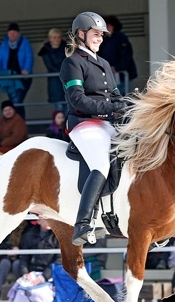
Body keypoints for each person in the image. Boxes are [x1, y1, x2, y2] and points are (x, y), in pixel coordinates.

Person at [59, 12, 127, 246]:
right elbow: (77, 100)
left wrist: (127, 103)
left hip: (106, 123)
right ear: (81, 34)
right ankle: (83, 224)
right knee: (100, 164)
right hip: (84, 123)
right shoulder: (72, 63)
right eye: (96, 34)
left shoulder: (104, 63)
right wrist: (111, 107)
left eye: (101, 35)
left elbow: (115, 95)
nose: (99, 38)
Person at [7, 219, 60, 302]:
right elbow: (24, 258)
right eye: (45, 218)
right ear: (39, 220)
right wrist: (26, 273)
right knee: (21, 293)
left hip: (50, 278)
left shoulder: (58, 236)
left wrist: (44, 277)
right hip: (32, 275)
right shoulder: (30, 234)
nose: (49, 221)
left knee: (38, 294)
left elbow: (59, 260)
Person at [0, 22, 34, 119]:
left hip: (22, 78)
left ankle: (20, 123)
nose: (12, 35)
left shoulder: (24, 42)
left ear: (18, 33)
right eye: (10, 33)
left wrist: (26, 69)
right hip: (10, 77)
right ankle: (19, 123)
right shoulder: (4, 43)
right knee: (15, 102)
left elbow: (29, 57)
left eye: (14, 33)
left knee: (17, 101)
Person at [99, 15, 138, 95]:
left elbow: (126, 55)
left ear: (112, 26)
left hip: (121, 74)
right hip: (111, 75)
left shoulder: (121, 38)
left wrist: (117, 68)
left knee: (120, 94)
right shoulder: (106, 40)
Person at [0, 222, 25, 300]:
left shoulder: (27, 229)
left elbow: (28, 245)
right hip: (6, 257)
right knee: (5, 263)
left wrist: (18, 251)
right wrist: (9, 250)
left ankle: (22, 290)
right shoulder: (6, 227)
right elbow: (0, 244)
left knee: (17, 264)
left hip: (20, 259)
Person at [38, 28, 67, 108]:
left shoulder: (67, 48)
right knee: (59, 107)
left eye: (58, 37)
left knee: (69, 105)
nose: (57, 39)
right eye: (54, 37)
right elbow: (50, 66)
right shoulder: (45, 51)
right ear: (50, 38)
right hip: (55, 81)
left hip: (67, 80)